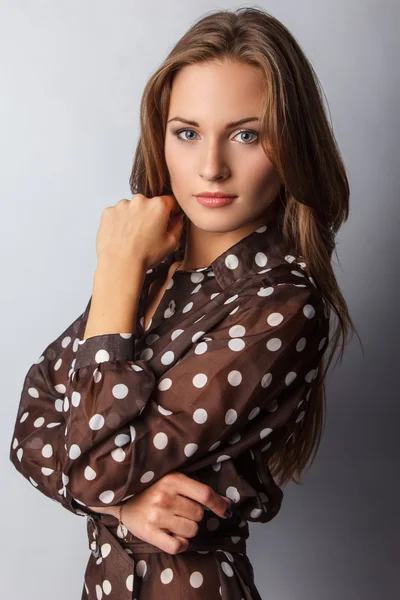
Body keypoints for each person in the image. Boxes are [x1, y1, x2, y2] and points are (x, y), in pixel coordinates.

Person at [9, 7, 362, 600]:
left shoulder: (282, 302)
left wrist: (116, 266)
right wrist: (127, 509)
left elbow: (94, 462)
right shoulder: (150, 275)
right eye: (188, 131)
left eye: (247, 134)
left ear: (292, 144)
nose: (211, 167)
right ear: (161, 137)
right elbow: (30, 430)